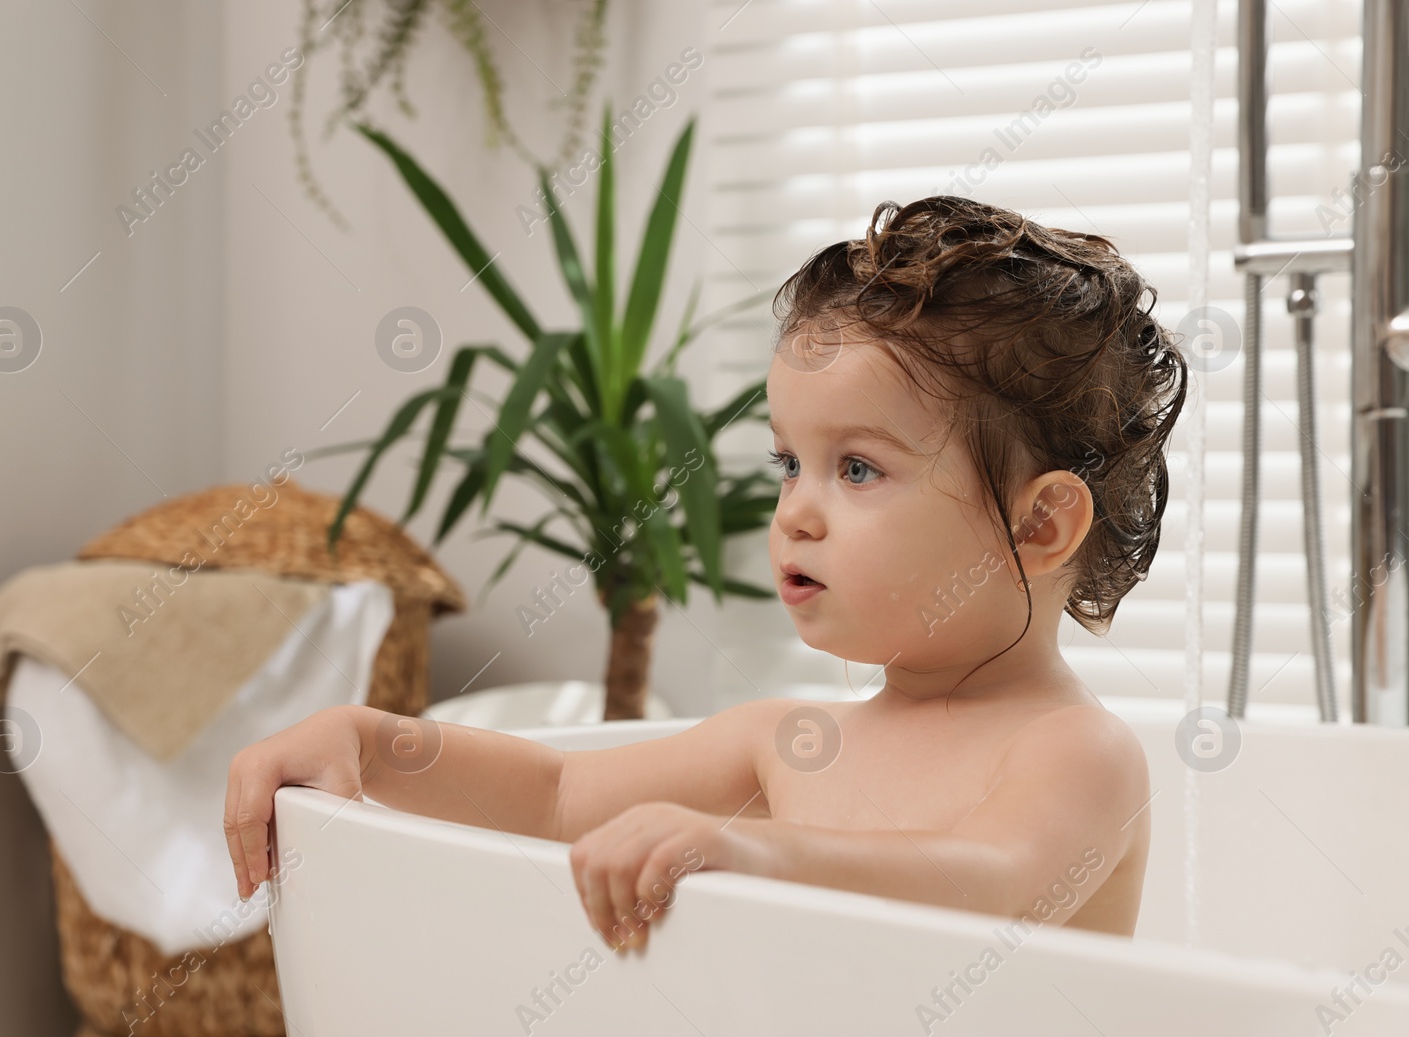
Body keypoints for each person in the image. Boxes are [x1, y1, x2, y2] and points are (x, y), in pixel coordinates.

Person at [224, 195, 1188, 951]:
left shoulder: (1074, 753)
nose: (796, 511)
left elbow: (986, 879)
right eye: (788, 463)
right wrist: (369, 737)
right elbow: (553, 792)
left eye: (858, 468)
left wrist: (754, 851)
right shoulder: (788, 744)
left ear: (1042, 521)